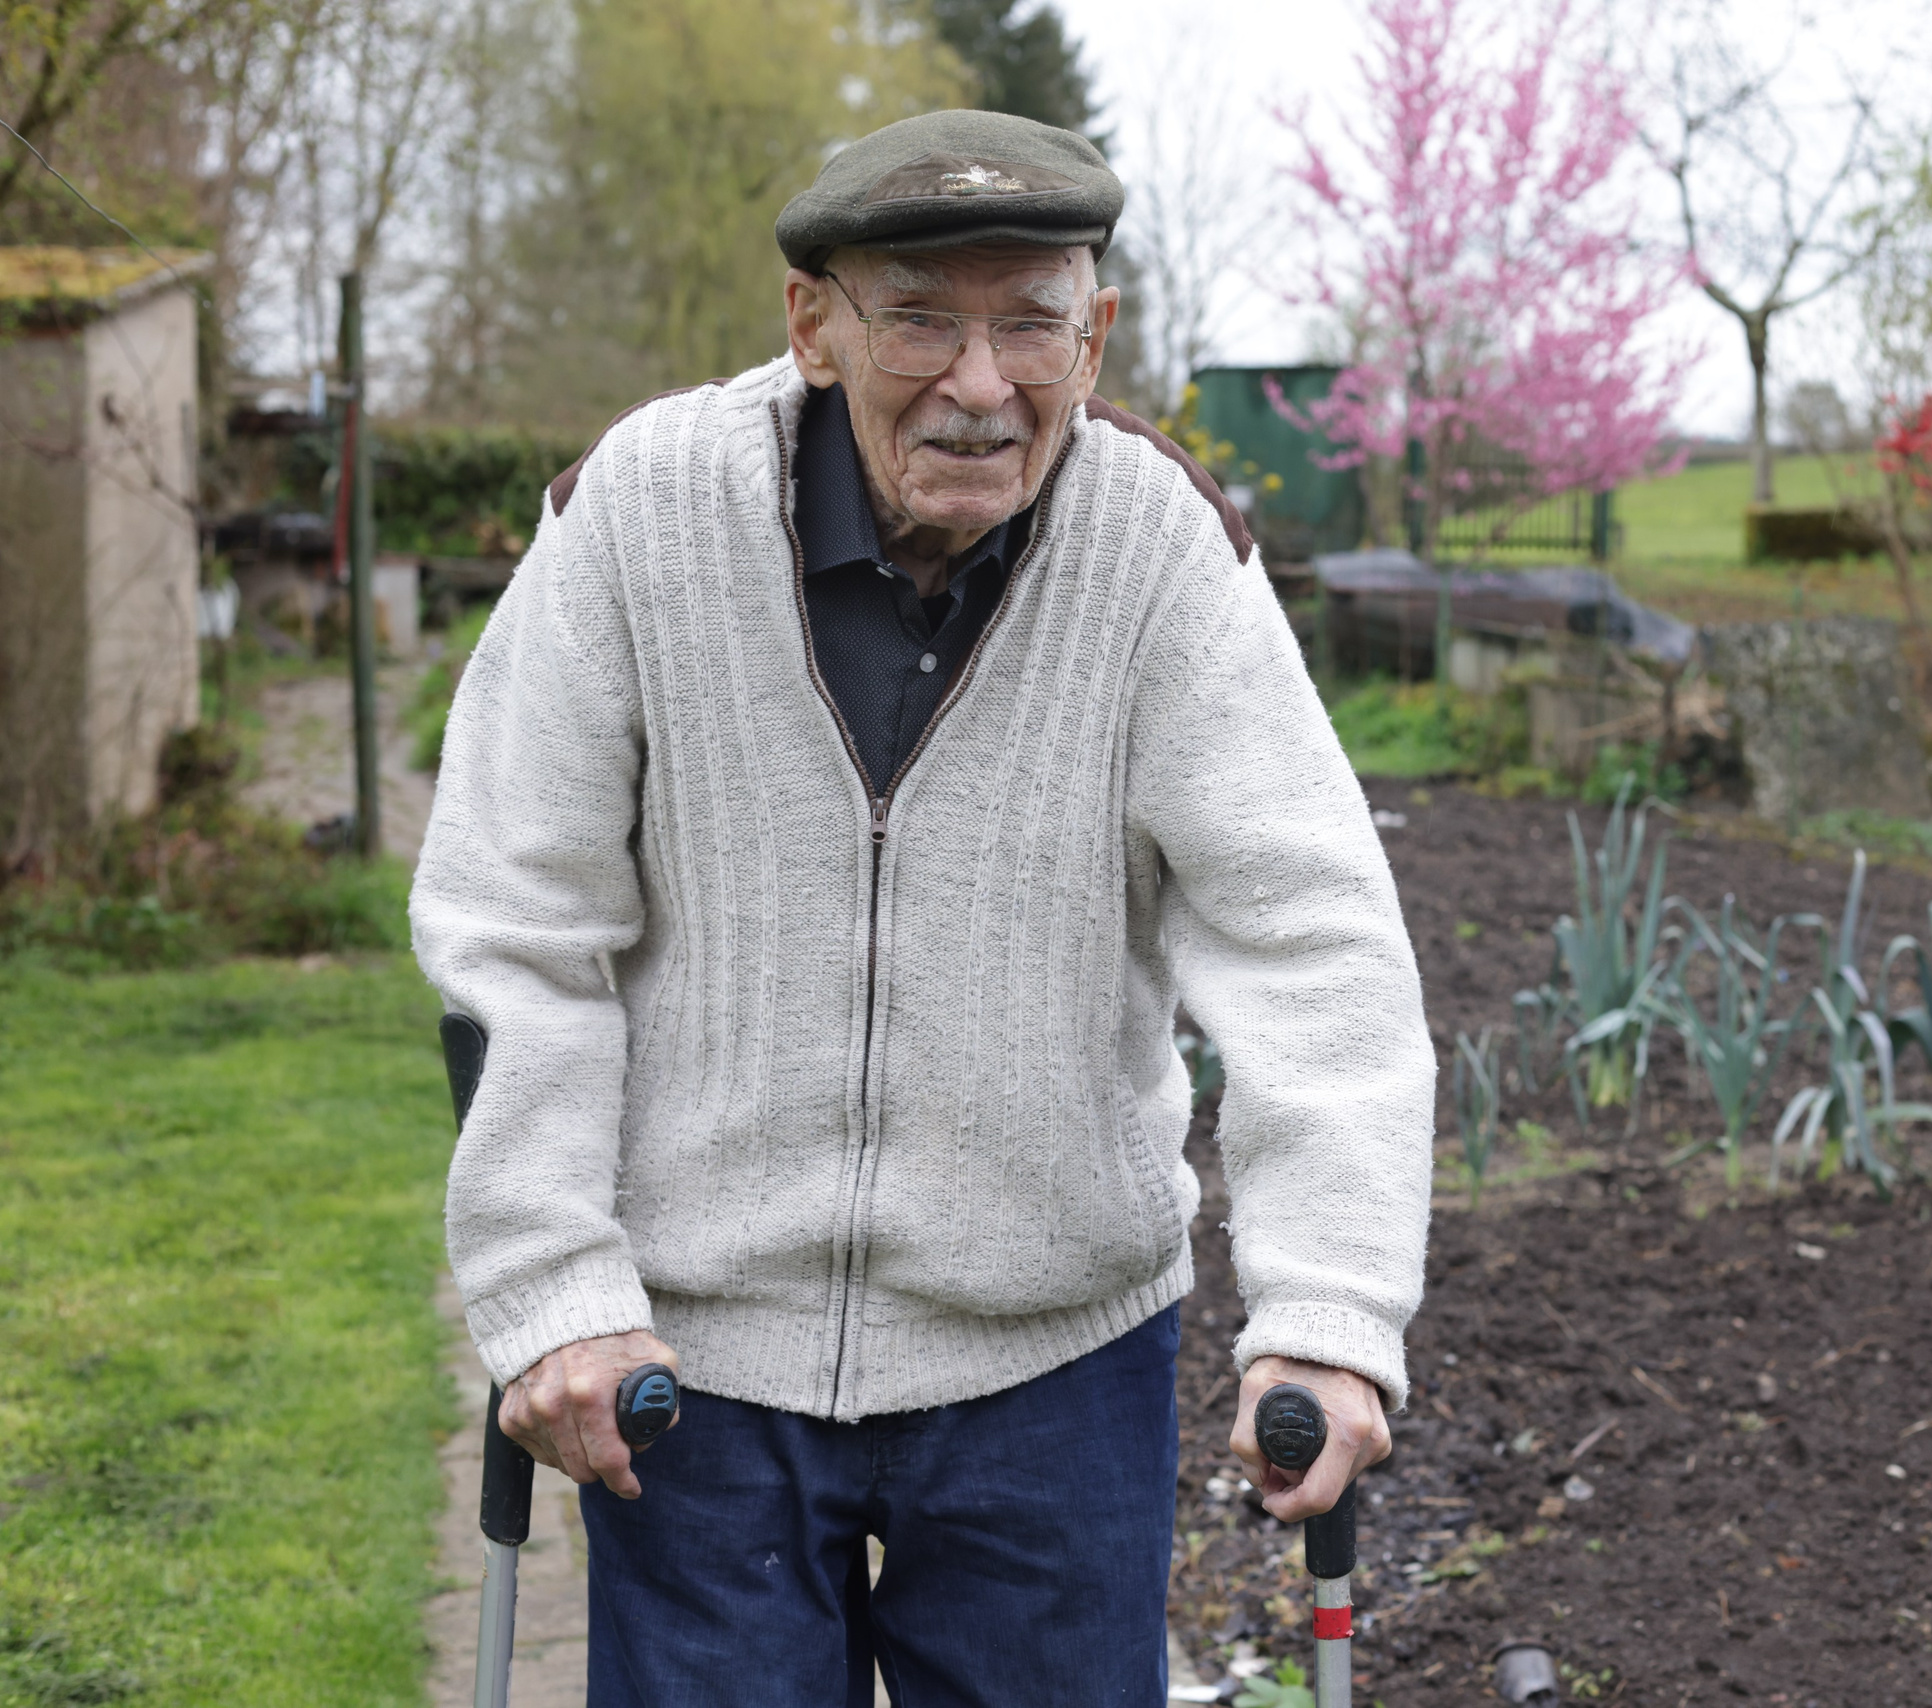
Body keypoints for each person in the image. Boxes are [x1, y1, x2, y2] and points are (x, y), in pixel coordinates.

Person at [410, 108, 1435, 1708]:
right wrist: (549, 1287)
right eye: (920, 319)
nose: (980, 381)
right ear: (812, 323)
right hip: (696, 1366)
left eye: (1030, 320)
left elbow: (1312, 944)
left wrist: (1327, 1308)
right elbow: (514, 922)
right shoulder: (637, 515)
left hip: (1055, 1359)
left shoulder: (1166, 553)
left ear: (1092, 337)